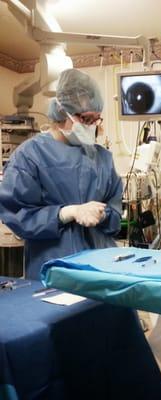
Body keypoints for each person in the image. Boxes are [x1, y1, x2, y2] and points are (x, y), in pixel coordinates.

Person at [0, 68, 122, 280]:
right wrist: (65, 213)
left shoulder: (102, 158)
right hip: (54, 268)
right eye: (86, 118)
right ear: (61, 112)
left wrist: (103, 214)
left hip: (102, 267)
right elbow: (16, 213)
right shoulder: (30, 156)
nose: (92, 126)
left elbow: (115, 215)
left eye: (96, 120)